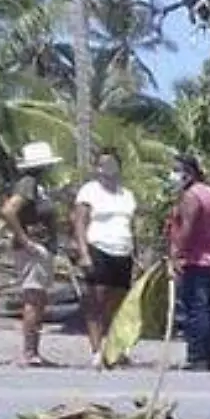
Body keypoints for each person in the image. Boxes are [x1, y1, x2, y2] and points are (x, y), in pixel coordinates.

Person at [73, 149, 138, 367]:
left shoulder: (127, 194)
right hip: (98, 248)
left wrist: (136, 255)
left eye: (111, 163)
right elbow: (80, 223)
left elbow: (132, 226)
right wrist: (83, 253)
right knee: (97, 301)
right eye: (102, 164)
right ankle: (96, 349)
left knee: (119, 305)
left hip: (123, 250)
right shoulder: (89, 191)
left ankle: (116, 348)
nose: (107, 168)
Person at [1, 142, 63, 367]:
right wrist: (26, 240)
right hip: (33, 248)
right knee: (33, 298)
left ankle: (33, 350)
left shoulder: (37, 186)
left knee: (38, 299)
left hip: (41, 246)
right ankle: (29, 352)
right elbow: (9, 210)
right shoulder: (27, 184)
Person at [167, 154, 210, 372]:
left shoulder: (191, 196)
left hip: (195, 259)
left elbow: (186, 229)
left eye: (176, 170)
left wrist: (176, 255)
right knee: (207, 309)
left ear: (188, 173)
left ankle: (198, 356)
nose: (173, 175)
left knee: (196, 310)